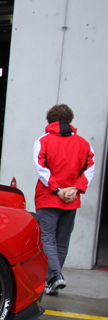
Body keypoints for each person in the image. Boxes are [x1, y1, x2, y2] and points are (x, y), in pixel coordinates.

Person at [33, 104, 95, 295]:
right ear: (70, 120)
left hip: (48, 198)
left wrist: (58, 189)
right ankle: (54, 281)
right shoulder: (84, 143)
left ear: (49, 120)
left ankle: (55, 277)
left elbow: (41, 168)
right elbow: (89, 168)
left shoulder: (42, 141)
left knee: (47, 239)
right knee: (62, 241)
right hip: (71, 200)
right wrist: (75, 189)